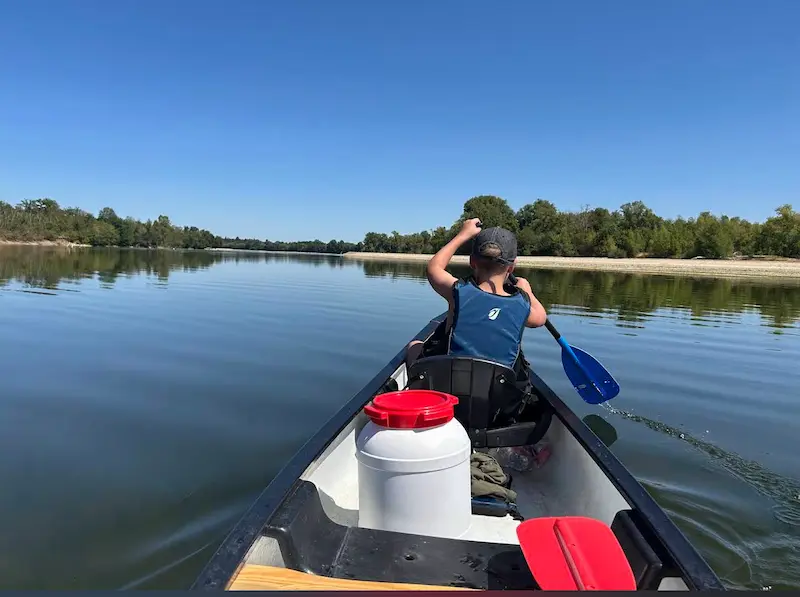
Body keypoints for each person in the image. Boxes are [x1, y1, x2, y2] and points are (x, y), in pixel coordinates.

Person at [406, 218, 547, 370]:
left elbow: (434, 268)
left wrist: (463, 234)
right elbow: (541, 318)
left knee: (414, 346)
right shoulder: (522, 304)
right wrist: (527, 292)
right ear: (511, 268)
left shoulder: (457, 292)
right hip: (498, 389)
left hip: (449, 383)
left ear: (472, 262)